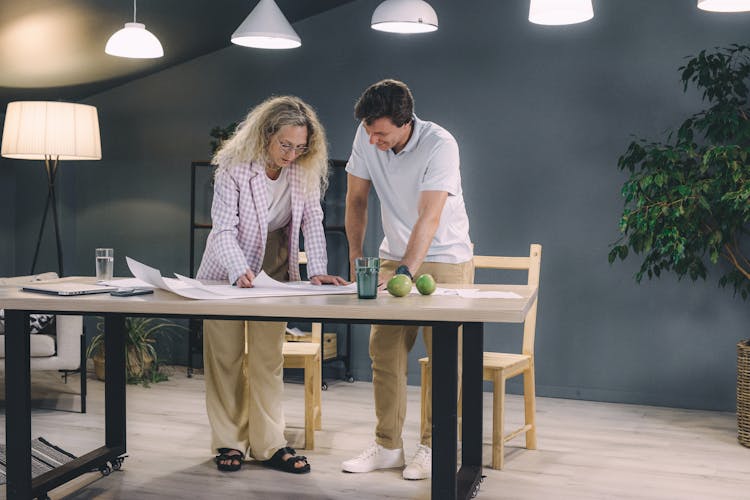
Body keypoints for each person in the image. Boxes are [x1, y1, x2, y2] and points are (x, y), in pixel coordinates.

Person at [196, 95, 347, 474]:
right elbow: (223, 228)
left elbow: (312, 218)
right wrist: (236, 270)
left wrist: (317, 270)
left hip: (276, 272)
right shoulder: (233, 167)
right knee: (225, 360)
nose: (292, 153)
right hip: (225, 272)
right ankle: (228, 443)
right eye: (285, 145)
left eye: (300, 146)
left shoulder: (303, 169)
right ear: (265, 135)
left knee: (268, 361)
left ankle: (269, 444)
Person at [341, 79, 474, 480]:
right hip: (392, 256)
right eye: (368, 130)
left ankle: (434, 447)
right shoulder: (368, 135)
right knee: (384, 353)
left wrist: (404, 273)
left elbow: (429, 216)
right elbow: (356, 199)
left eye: (380, 133)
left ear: (405, 123)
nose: (372, 139)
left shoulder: (440, 144)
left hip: (445, 258)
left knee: (444, 359)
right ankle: (387, 446)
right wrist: (355, 257)